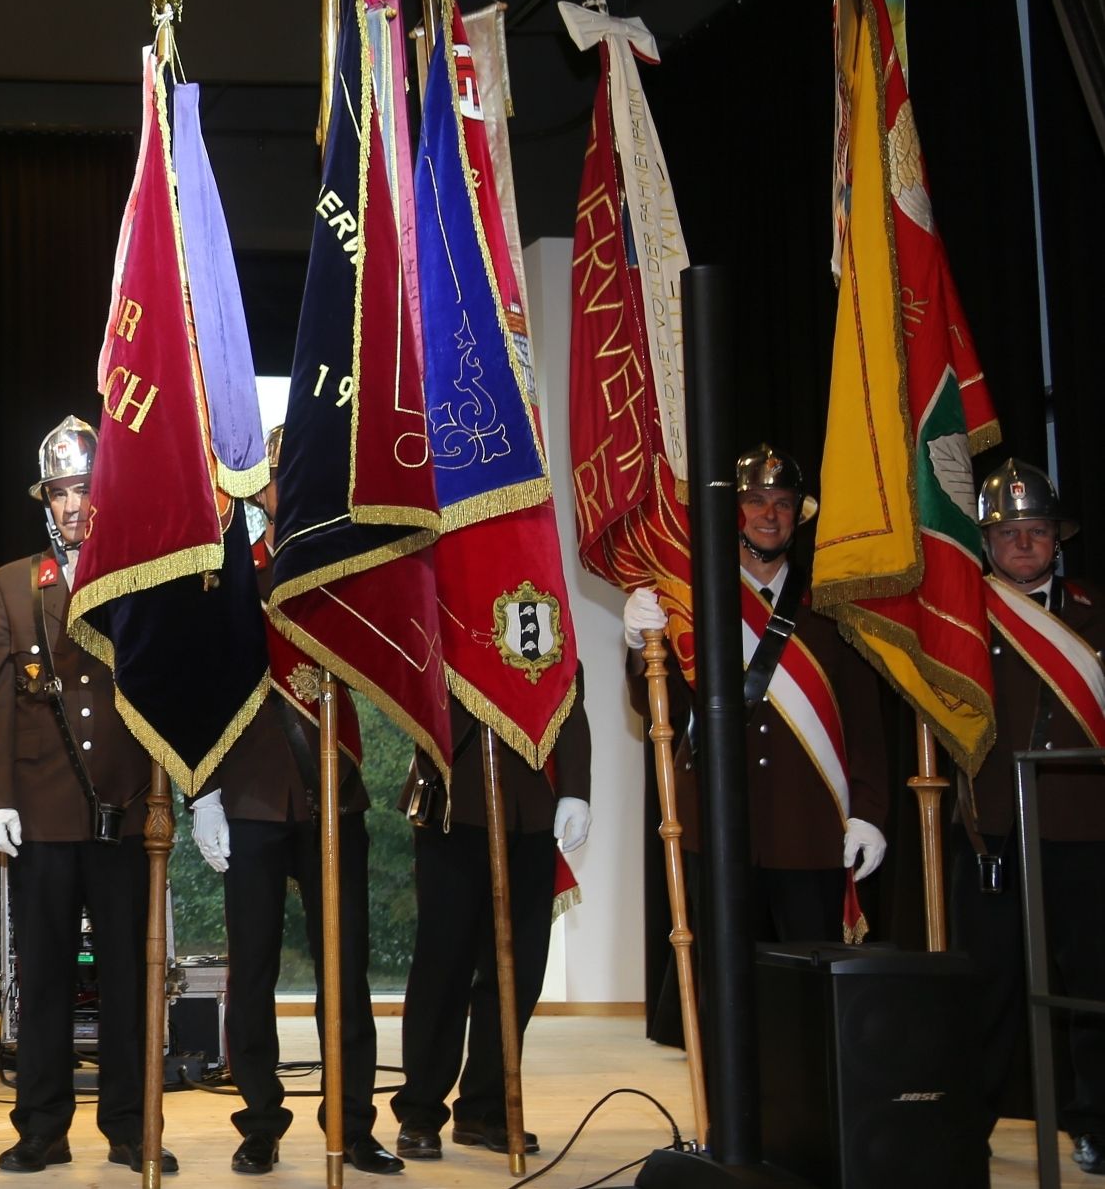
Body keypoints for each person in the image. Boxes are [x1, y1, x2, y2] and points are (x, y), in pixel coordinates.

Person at [0, 415, 178, 1175]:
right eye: (58, 492)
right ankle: (41, 1128)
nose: (70, 504)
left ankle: (131, 1126)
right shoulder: (10, 583)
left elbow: (166, 690)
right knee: (44, 979)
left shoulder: (142, 572)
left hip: (125, 805)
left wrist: (173, 793)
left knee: (128, 978)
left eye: (83, 489)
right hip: (42, 809)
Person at [621, 446, 888, 1023]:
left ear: (798, 516)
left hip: (808, 827)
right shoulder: (694, 602)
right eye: (756, 500)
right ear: (733, 513)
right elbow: (658, 707)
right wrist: (643, 648)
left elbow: (864, 724)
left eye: (784, 503)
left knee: (810, 1000)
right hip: (718, 822)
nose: (770, 514)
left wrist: (868, 812)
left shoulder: (832, 606)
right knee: (721, 994)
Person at [192, 448, 402, 1177]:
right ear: (259, 488)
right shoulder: (233, 573)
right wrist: (203, 791)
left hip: (333, 788)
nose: (290, 484)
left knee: (345, 971)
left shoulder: (343, 566)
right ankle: (258, 1122)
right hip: (252, 790)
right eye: (279, 474)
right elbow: (204, 684)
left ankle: (353, 1122)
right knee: (251, 971)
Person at [953, 458, 1105, 1168]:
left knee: (1092, 985)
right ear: (986, 543)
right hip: (992, 828)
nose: (1022, 544)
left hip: (1083, 827)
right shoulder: (959, 617)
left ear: (1056, 540)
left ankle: (1094, 1122)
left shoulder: (1093, 611)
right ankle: (969, 1125)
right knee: (987, 990)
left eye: (1035, 530)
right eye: (1008, 532)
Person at [390, 671, 592, 1162]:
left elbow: (566, 695)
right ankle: (421, 1111)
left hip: (532, 805)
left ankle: (486, 1108)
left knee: (518, 972)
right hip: (455, 799)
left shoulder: (548, 621)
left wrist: (576, 789)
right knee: (443, 968)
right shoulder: (445, 620)